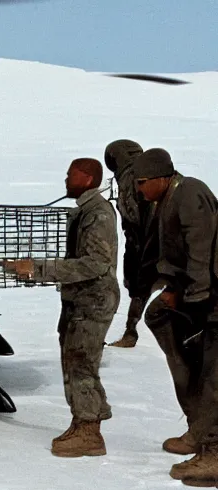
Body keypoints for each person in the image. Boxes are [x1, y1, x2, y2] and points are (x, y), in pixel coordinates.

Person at [4, 158, 118, 457]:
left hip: (93, 300)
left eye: (72, 174)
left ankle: (89, 431)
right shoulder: (84, 210)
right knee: (73, 360)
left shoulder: (98, 214)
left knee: (82, 363)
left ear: (89, 177)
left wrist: (39, 269)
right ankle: (82, 421)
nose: (66, 179)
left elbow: (95, 263)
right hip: (79, 299)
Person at [133, 148, 218, 486]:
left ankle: (213, 452)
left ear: (161, 177)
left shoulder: (190, 193)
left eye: (141, 183)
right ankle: (200, 431)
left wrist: (193, 295)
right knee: (194, 367)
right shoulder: (167, 198)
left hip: (211, 298)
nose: (139, 190)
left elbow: (200, 247)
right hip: (199, 296)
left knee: (213, 375)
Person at [104, 140, 154, 348]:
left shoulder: (131, 178)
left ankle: (130, 333)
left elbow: (135, 213)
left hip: (144, 243)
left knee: (139, 287)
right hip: (144, 242)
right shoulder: (147, 172)